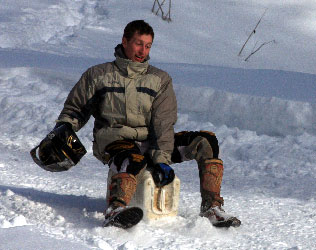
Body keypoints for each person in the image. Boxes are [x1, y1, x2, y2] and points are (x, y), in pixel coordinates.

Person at [35, 20, 240, 228]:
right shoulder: (98, 75)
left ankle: (211, 208)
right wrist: (64, 127)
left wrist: (161, 160)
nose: (143, 50)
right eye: (138, 43)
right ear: (125, 41)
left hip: (150, 143)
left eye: (148, 45)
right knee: (131, 158)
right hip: (114, 140)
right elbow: (75, 109)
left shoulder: (159, 79)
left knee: (206, 141)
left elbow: (163, 122)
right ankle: (116, 209)